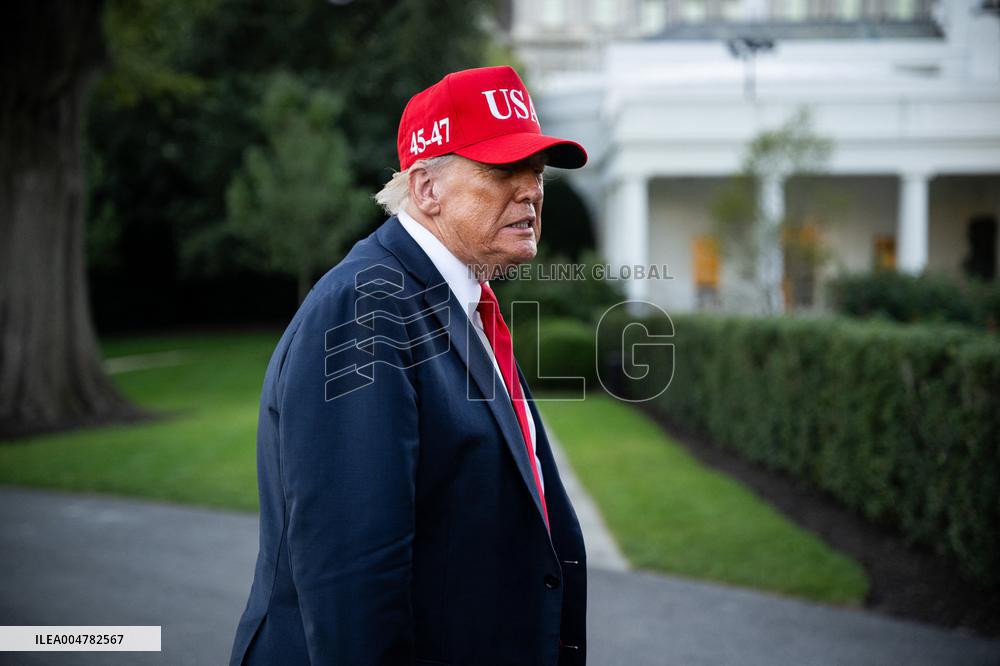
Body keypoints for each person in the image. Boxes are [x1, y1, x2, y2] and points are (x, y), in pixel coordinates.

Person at [229, 65, 588, 666]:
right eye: (503, 170)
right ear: (426, 189)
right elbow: (353, 581)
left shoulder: (454, 299)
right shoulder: (363, 309)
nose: (531, 190)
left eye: (537, 171)